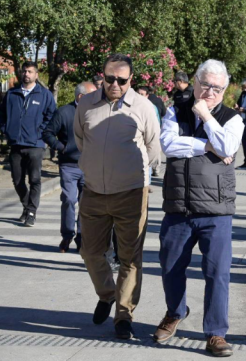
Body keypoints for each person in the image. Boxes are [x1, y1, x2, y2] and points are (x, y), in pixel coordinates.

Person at [155, 59, 243, 357]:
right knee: (169, 266)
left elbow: (229, 148)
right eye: (205, 85)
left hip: (216, 209)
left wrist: (206, 117)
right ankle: (175, 312)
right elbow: (167, 145)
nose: (210, 92)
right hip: (178, 206)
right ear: (195, 83)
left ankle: (216, 333)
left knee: (217, 273)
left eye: (217, 88)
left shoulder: (232, 118)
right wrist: (206, 146)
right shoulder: (174, 110)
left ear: (224, 91)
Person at [74, 54, 161, 339]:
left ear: (130, 80)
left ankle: (123, 316)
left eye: (121, 80)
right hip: (94, 192)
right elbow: (80, 139)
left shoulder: (144, 107)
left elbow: (152, 148)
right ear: (102, 75)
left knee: (130, 258)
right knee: (89, 251)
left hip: (131, 195)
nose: (115, 84)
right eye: (109, 78)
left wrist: (131, 173)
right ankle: (107, 293)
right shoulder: (86, 104)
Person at [0, 61, 57, 227]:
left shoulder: (44, 95)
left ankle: (31, 211)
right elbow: (1, 114)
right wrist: (5, 129)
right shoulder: (12, 94)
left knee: (35, 179)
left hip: (35, 144)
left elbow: (51, 116)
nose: (27, 74)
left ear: (36, 75)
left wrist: (40, 132)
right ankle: (26, 206)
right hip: (16, 143)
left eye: (30, 72)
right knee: (17, 180)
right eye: (24, 71)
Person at [42, 81, 97, 252]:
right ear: (81, 97)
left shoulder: (97, 112)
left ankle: (82, 238)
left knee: (85, 203)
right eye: (92, 95)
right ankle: (67, 236)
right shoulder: (64, 112)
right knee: (69, 199)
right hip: (69, 165)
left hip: (90, 165)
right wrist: (61, 147)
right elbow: (47, 133)